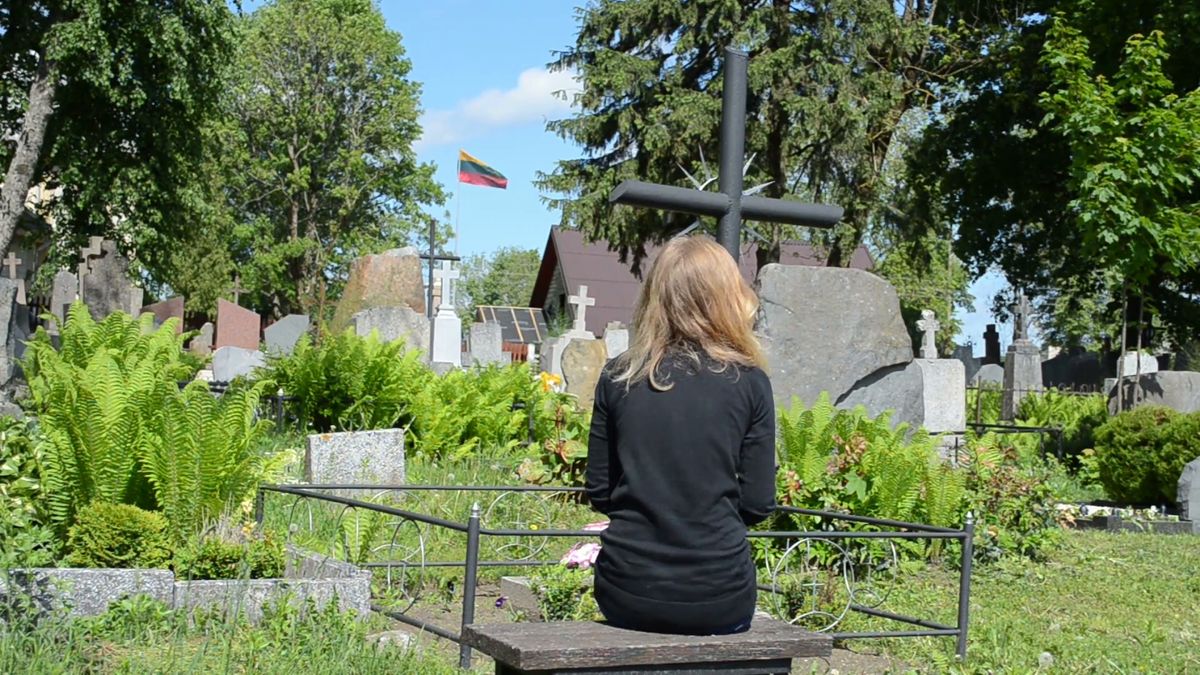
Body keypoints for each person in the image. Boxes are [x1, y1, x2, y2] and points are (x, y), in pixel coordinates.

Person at [584, 235, 776, 636]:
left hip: (627, 588)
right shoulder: (750, 382)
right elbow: (758, 503)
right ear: (726, 297)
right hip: (720, 592)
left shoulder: (620, 376)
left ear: (656, 296)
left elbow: (600, 491)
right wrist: (706, 525)